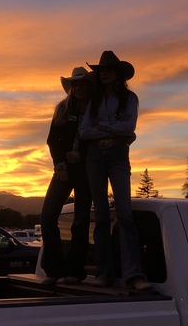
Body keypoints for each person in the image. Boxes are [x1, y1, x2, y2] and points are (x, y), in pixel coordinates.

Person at [79, 51, 151, 291]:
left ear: (118, 74)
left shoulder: (129, 98)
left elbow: (129, 126)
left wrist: (105, 128)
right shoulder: (94, 101)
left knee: (124, 213)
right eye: (101, 71)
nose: (104, 74)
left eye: (108, 70)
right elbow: (84, 131)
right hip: (95, 157)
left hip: (118, 157)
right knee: (100, 215)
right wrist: (114, 131)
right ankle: (104, 273)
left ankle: (134, 274)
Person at [40, 67, 94, 285]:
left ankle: (74, 270)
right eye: (75, 84)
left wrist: (82, 155)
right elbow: (53, 140)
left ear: (89, 86)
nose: (79, 87)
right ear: (71, 88)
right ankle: (53, 269)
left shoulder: (96, 109)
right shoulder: (62, 108)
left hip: (88, 170)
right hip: (63, 170)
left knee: (80, 221)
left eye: (82, 83)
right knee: (48, 216)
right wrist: (60, 164)